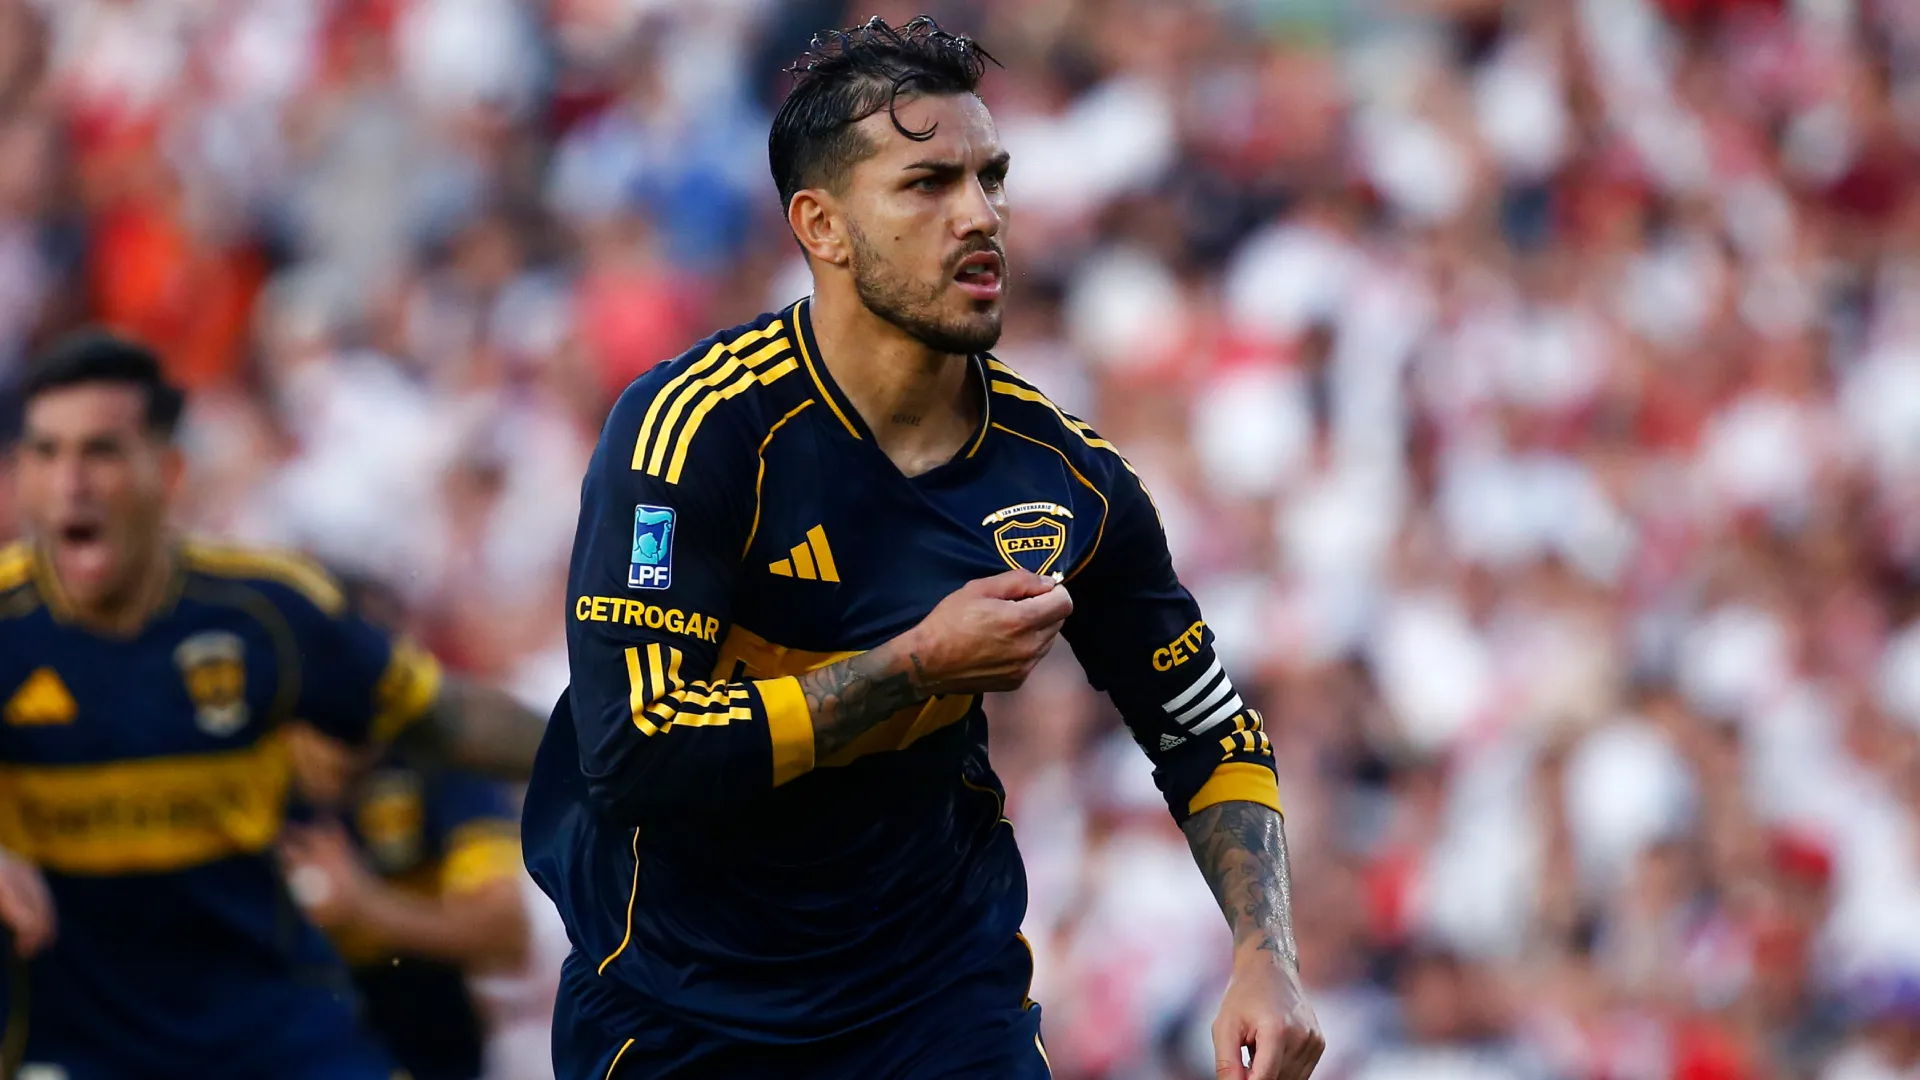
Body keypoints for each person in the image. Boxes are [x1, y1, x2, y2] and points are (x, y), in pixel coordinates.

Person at [524, 16, 1325, 1080]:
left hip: (937, 1001)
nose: (980, 214)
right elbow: (634, 751)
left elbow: (1208, 731)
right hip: (681, 1006)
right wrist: (914, 667)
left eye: (992, 178)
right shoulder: (695, 433)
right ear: (822, 226)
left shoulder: (1067, 478)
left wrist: (1267, 956)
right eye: (928, 184)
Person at [0, 332, 548, 1079]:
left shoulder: (268, 613)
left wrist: (625, 750)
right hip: (73, 1046)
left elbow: (446, 720)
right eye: (45, 453)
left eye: (101, 452)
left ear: (167, 472)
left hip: (271, 1031)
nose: (71, 483)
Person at [280, 576, 534, 1080]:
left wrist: (368, 908)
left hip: (426, 1047)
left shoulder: (438, 761)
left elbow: (508, 935)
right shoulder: (249, 765)